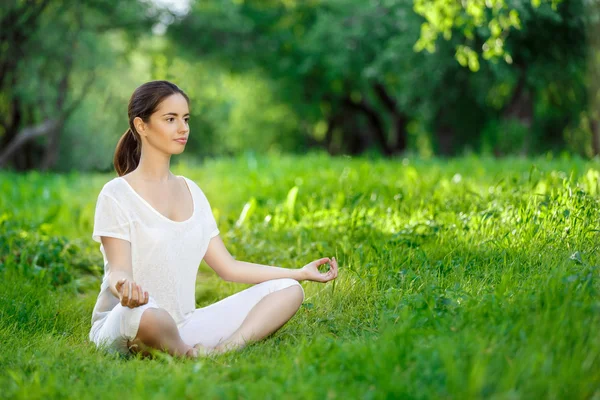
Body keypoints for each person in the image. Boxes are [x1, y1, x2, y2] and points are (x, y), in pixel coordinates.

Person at [89, 80, 339, 359]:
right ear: (141, 126)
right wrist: (125, 288)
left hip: (184, 325)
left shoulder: (192, 192)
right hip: (126, 320)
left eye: (185, 119)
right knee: (147, 316)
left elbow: (229, 267)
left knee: (289, 291)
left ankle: (220, 351)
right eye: (170, 119)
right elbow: (118, 270)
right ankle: (188, 354)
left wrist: (300, 273)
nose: (183, 128)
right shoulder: (117, 194)